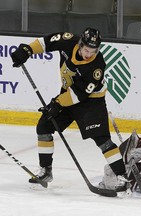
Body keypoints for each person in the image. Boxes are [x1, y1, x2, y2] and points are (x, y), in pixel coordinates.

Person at [10, 28, 131, 197]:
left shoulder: (97, 66)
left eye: (93, 51)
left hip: (91, 102)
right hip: (68, 94)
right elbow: (46, 42)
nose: (89, 54)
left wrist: (57, 103)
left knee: (102, 139)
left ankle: (122, 177)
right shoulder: (68, 41)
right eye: (86, 49)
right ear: (80, 44)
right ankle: (46, 171)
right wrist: (28, 50)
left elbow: (79, 94)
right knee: (44, 126)